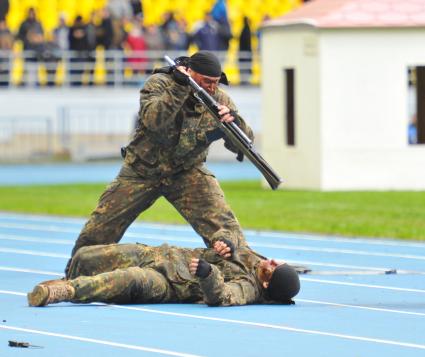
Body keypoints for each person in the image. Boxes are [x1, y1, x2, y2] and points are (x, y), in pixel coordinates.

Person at [64, 50, 254, 276]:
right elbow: (154, 120)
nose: (212, 88)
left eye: (216, 83)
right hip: (142, 170)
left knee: (227, 230)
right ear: (190, 73)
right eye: (206, 82)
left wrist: (233, 122)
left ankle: (250, 274)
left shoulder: (220, 100)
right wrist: (180, 88)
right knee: (99, 228)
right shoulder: (159, 84)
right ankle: (74, 275)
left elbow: (244, 143)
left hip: (187, 173)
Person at [28, 241, 300, 307]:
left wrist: (209, 273)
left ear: (267, 282)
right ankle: (70, 280)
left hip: (168, 284)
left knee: (129, 278)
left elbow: (222, 297)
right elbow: (230, 240)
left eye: (275, 267)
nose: (272, 261)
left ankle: (65, 291)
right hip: (161, 255)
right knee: (86, 255)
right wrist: (224, 242)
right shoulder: (256, 261)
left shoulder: (248, 289)